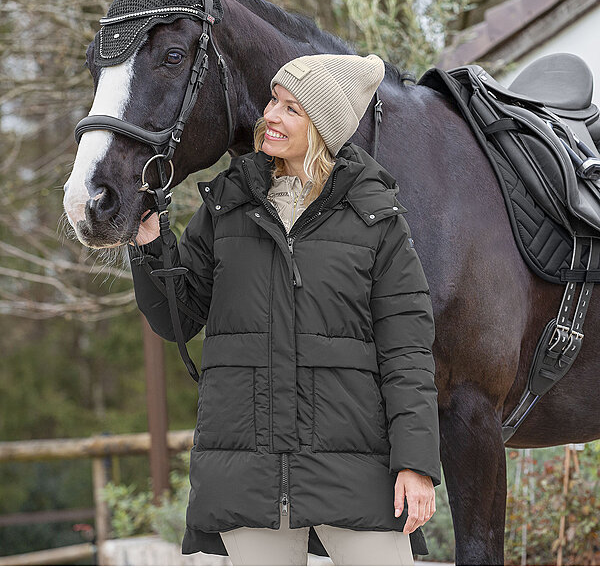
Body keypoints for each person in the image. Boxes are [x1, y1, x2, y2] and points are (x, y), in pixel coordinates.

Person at [128, 53, 441, 566]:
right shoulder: (227, 204)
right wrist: (150, 246)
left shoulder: (376, 218)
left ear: (322, 127)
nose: (270, 114)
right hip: (249, 471)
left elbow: (407, 353)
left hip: (354, 471)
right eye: (274, 100)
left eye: (291, 108)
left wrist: (416, 464)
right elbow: (178, 318)